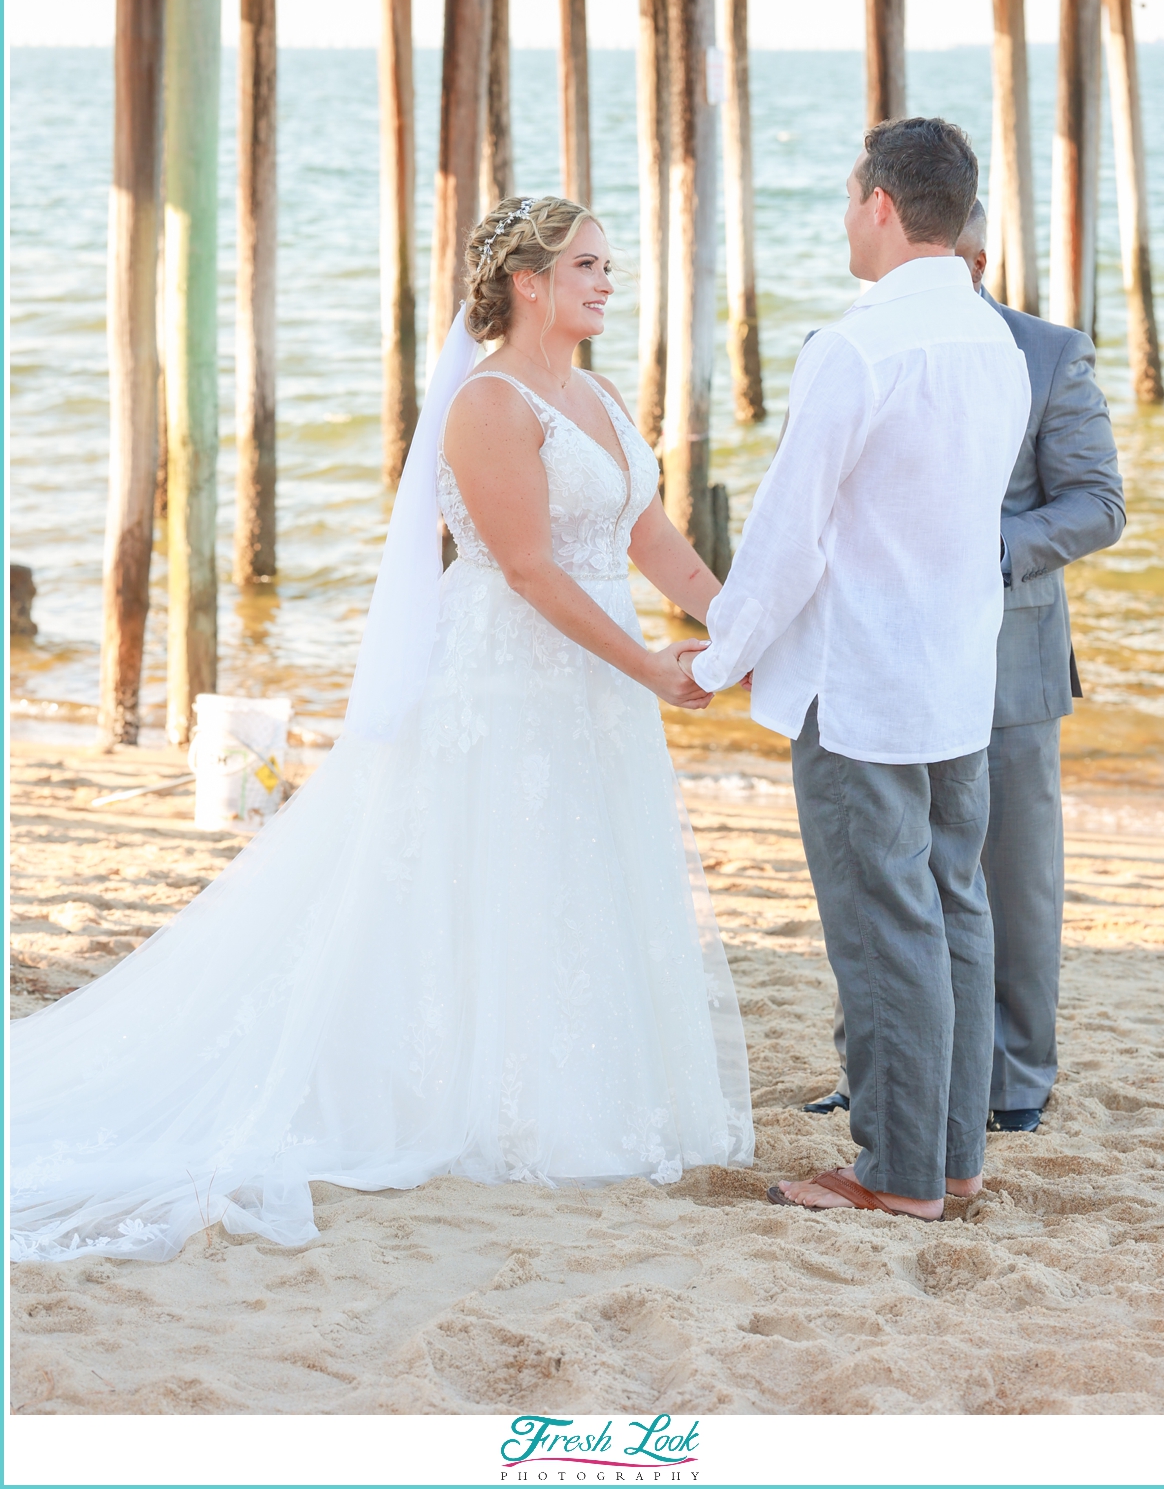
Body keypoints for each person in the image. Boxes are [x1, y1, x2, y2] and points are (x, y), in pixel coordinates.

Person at [11, 195, 753, 1265]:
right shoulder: (490, 404)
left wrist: (737, 631)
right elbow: (533, 569)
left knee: (585, 877)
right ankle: (477, 1096)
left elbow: (652, 540)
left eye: (608, 264)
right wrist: (646, 663)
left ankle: (578, 1090)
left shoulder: (590, 394)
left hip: (591, 685)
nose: (606, 280)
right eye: (586, 264)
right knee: (490, 880)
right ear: (528, 283)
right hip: (510, 682)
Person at [686, 118, 1031, 1220]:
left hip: (864, 685)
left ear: (882, 204)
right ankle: (952, 1160)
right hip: (955, 678)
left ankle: (893, 1175)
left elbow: (791, 537)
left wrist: (719, 658)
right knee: (951, 912)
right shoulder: (999, 345)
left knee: (886, 929)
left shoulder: (858, 349)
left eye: (848, 199)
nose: (844, 219)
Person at [806, 199, 1125, 1133]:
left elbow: (1098, 504)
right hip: (887, 656)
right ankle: (880, 1078)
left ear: (974, 255)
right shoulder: (868, 344)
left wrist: (970, 545)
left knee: (1011, 884)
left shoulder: (1049, 352)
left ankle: (1015, 1085)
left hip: (1010, 662)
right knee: (885, 877)